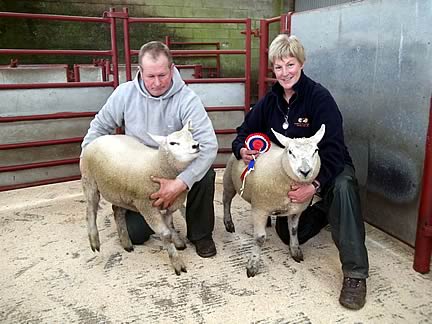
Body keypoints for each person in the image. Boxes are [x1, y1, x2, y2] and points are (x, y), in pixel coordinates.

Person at [232, 34, 369, 310]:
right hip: (290, 178)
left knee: (342, 187)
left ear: (302, 63)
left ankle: (355, 274)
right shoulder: (269, 103)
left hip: (327, 167)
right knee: (286, 232)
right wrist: (241, 150)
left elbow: (333, 149)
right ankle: (320, 211)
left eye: (290, 64)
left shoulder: (319, 98)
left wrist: (315, 185)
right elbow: (243, 133)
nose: (285, 73)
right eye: (278, 67)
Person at [81, 41, 218, 258]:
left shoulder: (186, 99)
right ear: (140, 71)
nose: (156, 83)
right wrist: (86, 159)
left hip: (174, 167)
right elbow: (100, 127)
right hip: (139, 173)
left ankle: (201, 234)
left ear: (172, 69)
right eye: (150, 76)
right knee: (136, 234)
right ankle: (137, 212)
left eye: (162, 75)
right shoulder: (124, 94)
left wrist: (180, 183)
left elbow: (209, 145)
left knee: (205, 174)